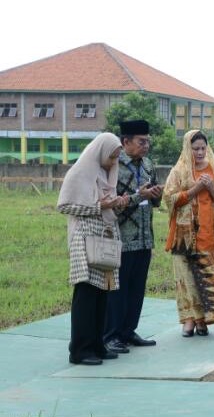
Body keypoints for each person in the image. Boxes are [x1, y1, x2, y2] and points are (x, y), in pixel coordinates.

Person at [57, 133, 128, 365]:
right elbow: (66, 205)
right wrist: (101, 205)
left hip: (104, 238)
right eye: (112, 156)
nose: (113, 162)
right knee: (86, 295)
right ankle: (80, 350)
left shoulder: (107, 173)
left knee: (101, 295)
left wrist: (117, 204)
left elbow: (108, 207)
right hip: (84, 239)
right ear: (100, 152)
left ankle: (97, 345)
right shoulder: (80, 172)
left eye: (117, 157)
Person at [163, 130, 214, 337]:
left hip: (211, 235)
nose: (200, 152)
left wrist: (211, 188)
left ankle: (203, 321)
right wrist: (194, 189)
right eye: (195, 149)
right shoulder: (178, 171)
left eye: (203, 148)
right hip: (184, 238)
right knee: (187, 280)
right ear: (187, 149)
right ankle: (189, 320)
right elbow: (169, 198)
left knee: (208, 280)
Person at [104, 120, 161, 354]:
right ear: (125, 142)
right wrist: (140, 195)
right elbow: (112, 204)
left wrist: (156, 195)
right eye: (141, 141)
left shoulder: (147, 164)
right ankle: (111, 334)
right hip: (121, 238)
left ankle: (129, 331)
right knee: (118, 289)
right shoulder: (114, 165)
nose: (146, 146)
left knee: (137, 288)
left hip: (145, 237)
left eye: (148, 141)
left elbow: (153, 199)